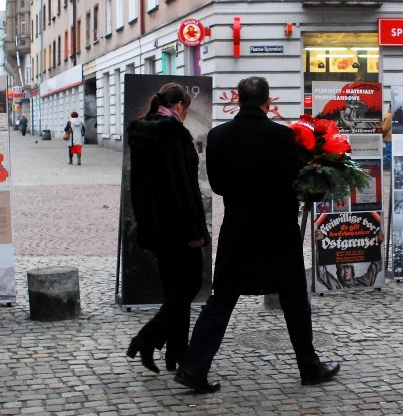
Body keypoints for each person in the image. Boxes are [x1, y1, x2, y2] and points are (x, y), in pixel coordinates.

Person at [174, 76, 340, 394]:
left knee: (221, 299)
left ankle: (193, 368)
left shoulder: (218, 137)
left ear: (237, 100)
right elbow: (301, 185)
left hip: (238, 230)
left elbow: (219, 186)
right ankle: (309, 366)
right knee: (294, 299)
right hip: (279, 231)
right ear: (269, 102)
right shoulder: (284, 137)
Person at [125, 82, 209, 375]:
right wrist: (196, 229)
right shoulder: (174, 134)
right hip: (178, 228)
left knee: (175, 291)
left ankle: (177, 354)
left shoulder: (140, 131)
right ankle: (147, 339)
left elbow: (138, 186)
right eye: (186, 110)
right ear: (180, 106)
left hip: (156, 227)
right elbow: (182, 187)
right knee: (189, 286)